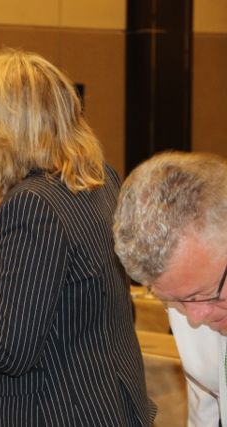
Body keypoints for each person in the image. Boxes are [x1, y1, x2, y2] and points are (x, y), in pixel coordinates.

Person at [0, 48, 156, 426]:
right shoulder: (102, 178)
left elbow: (8, 349)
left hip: (54, 411)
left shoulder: (32, 204)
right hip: (107, 402)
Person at [113, 151, 227, 425]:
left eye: (204, 295)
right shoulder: (182, 290)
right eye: (173, 301)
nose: (195, 317)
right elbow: (206, 401)